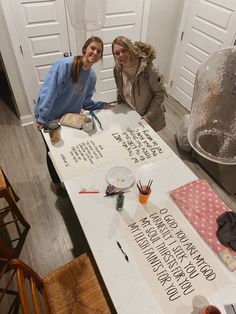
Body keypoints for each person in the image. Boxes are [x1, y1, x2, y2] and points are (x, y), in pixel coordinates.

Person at [35, 36, 109, 196]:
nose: (95, 52)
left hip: (70, 119)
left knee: (69, 150)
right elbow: (49, 93)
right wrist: (42, 118)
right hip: (50, 119)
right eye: (92, 48)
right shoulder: (65, 65)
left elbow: (86, 102)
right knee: (53, 152)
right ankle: (57, 184)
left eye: (99, 51)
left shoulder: (92, 76)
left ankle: (70, 179)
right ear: (85, 49)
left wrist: (103, 105)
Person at [112, 36, 166, 132]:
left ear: (130, 49)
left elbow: (160, 94)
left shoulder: (149, 69)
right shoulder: (117, 69)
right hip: (132, 113)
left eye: (124, 50)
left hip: (150, 118)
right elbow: (119, 89)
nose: (121, 55)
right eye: (117, 53)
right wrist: (120, 106)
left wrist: (148, 116)